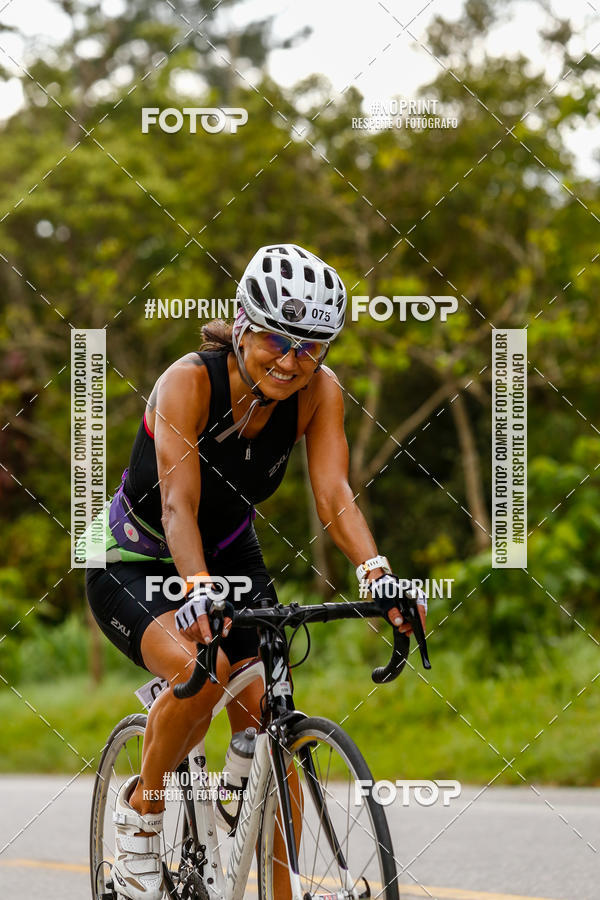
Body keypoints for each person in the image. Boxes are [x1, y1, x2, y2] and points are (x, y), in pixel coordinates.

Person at [85, 243, 426, 900]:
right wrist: (197, 590)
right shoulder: (187, 382)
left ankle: (271, 868)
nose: (293, 361)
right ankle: (142, 816)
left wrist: (378, 575)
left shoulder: (317, 393)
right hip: (136, 556)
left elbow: (334, 493)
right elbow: (179, 506)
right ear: (242, 324)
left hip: (231, 553)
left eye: (312, 347)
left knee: (272, 718)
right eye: (278, 339)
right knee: (201, 671)